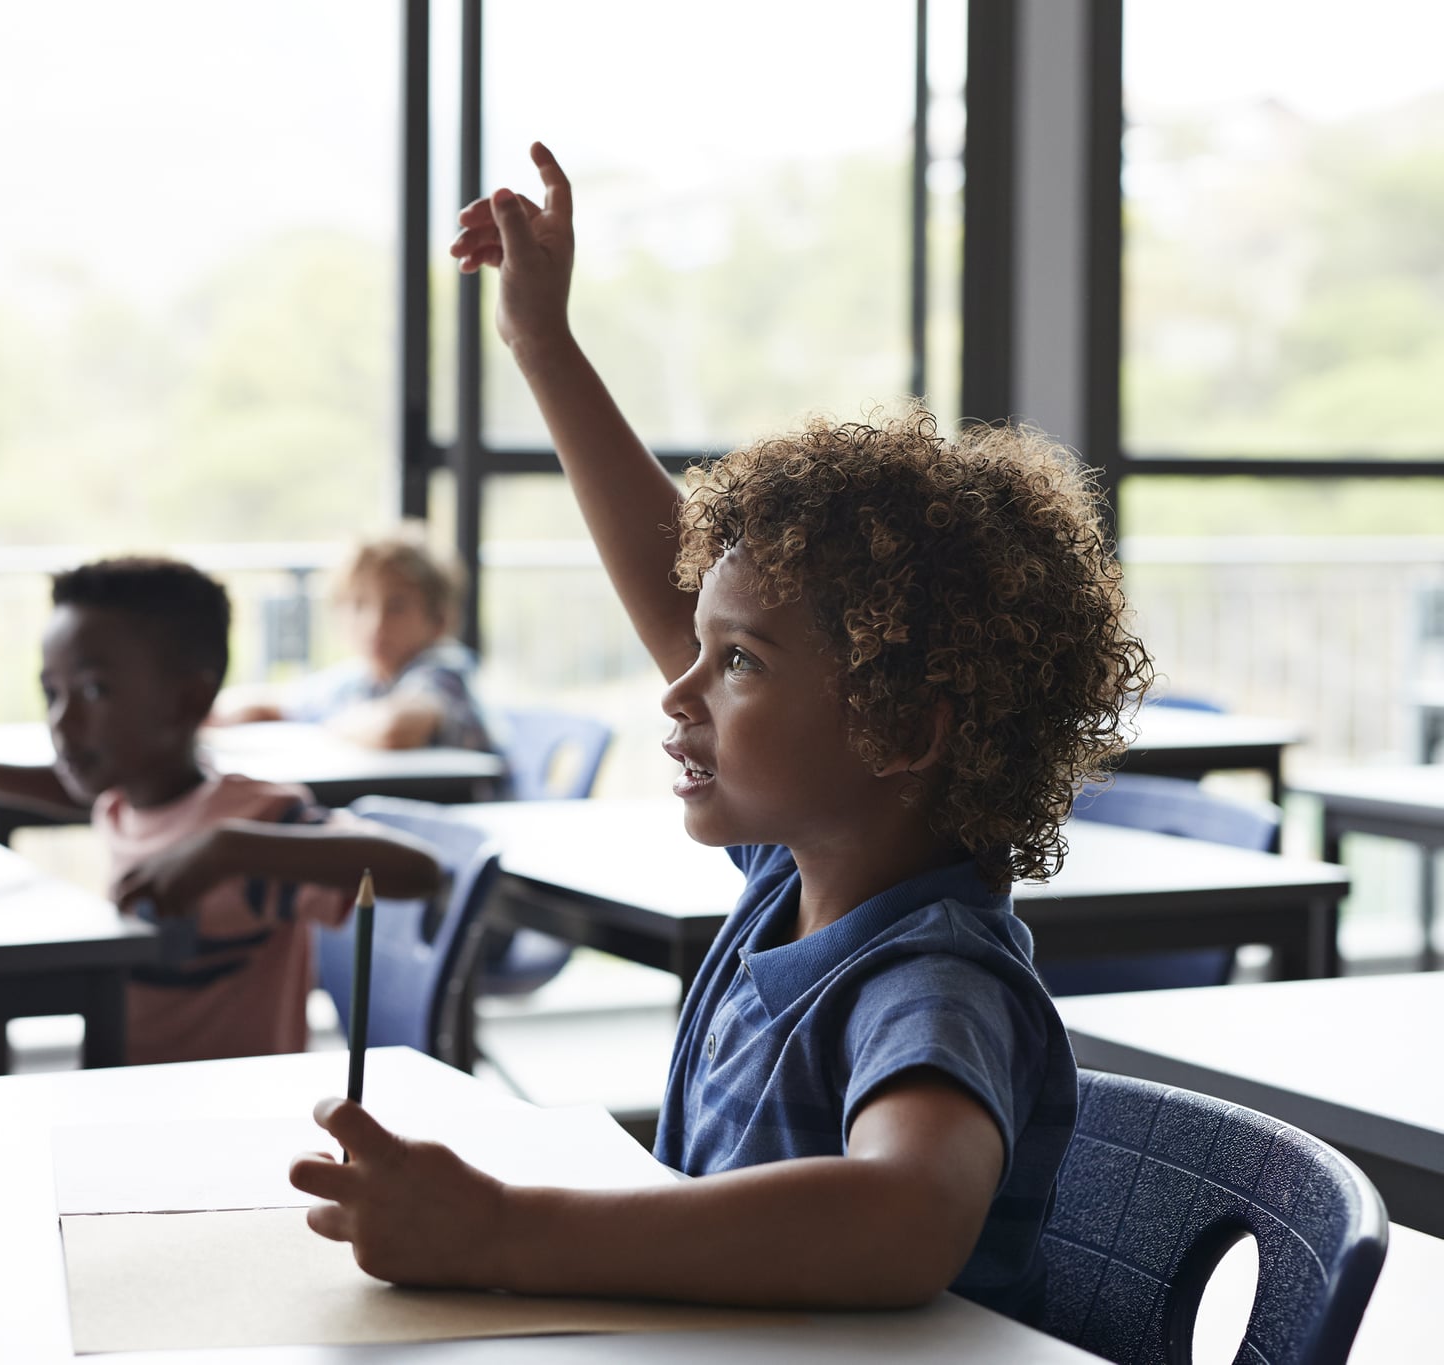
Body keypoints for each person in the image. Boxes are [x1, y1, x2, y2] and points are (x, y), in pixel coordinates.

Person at [289, 144, 1154, 1321]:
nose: (675, 687)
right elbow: (671, 582)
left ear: (897, 727)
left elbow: (902, 1217)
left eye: (734, 663)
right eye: (697, 648)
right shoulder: (796, 875)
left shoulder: (930, 978)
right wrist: (537, 342)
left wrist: (500, 1229)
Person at [0, 557, 442, 1066]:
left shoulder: (252, 823)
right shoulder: (126, 796)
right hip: (130, 1100)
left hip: (221, 1126)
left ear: (188, 701)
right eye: (51, 693)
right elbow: (75, 787)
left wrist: (227, 850)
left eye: (93, 691)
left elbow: (416, 870)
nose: (62, 723)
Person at [212, 531, 496, 753]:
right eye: (359, 605)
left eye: (397, 607)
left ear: (438, 621)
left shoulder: (444, 670)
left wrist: (327, 727)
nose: (375, 624)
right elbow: (276, 703)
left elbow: (395, 729)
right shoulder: (362, 680)